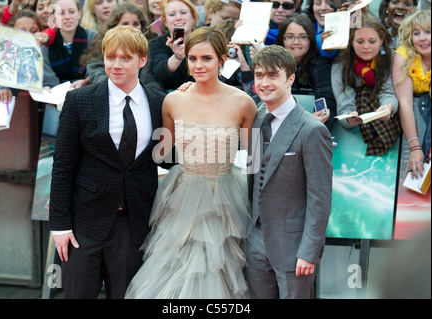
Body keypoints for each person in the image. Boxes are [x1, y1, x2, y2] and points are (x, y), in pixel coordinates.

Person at [125, 26, 257, 299]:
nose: (198, 65)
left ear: (222, 60)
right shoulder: (173, 100)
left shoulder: (244, 103)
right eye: (193, 59)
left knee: (220, 272)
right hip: (181, 197)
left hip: (226, 200)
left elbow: (254, 160)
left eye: (206, 58)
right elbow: (161, 154)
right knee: (173, 268)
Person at [49, 25, 168, 299]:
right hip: (83, 223)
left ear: (142, 60)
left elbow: (168, 160)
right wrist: (60, 225)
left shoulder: (159, 103)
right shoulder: (80, 100)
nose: (115, 65)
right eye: (110, 57)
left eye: (125, 58)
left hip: (133, 221)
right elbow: (63, 165)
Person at [245, 44, 333, 299]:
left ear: (290, 78)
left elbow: (320, 198)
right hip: (255, 241)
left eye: (273, 75)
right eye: (259, 75)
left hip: (295, 248)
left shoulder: (312, 129)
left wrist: (309, 250)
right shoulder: (256, 118)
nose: (264, 82)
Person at [332, 14, 400, 156]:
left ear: (381, 40)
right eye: (360, 41)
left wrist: (388, 107)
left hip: (389, 127)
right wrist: (349, 118)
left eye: (372, 41)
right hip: (352, 140)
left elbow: (388, 92)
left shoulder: (391, 57)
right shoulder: (340, 65)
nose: (366, 47)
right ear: (351, 42)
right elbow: (344, 106)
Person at [274, 13, 336, 131]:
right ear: (282, 39)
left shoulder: (320, 64)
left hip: (311, 131)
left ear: (310, 39)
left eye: (303, 37)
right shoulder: (274, 65)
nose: (296, 42)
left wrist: (317, 121)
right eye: (290, 36)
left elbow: (326, 100)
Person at [392, 9, 431, 179]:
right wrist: (414, 147)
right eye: (417, 33)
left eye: (428, 32)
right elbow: (405, 103)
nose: (422, 38)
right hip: (416, 115)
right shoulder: (403, 55)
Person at [41, 0, 97, 88]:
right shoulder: (46, 44)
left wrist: (86, 82)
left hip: (88, 92)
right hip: (56, 97)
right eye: (61, 13)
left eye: (71, 12)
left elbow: (96, 70)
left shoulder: (93, 37)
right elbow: (49, 79)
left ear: (79, 14)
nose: (67, 17)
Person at [148, 0, 198, 90]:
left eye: (183, 13)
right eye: (172, 14)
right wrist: (177, 57)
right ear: (165, 22)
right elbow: (159, 71)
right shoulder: (158, 43)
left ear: (193, 17)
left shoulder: (205, 39)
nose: (178, 18)